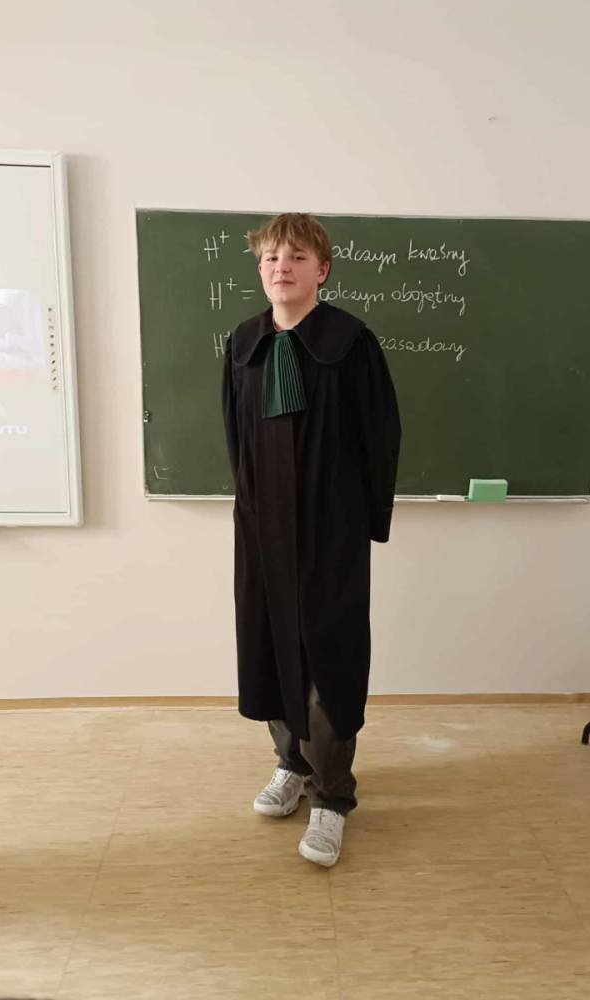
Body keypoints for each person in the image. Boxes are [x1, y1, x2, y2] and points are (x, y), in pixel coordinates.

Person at [221, 213, 401, 867]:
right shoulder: (244, 343)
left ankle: (332, 795)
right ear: (259, 268)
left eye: (296, 257)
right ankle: (291, 764)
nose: (281, 267)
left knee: (329, 657)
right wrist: (249, 509)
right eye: (271, 257)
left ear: (321, 270)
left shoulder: (351, 343)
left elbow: (381, 434)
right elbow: (234, 433)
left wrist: (366, 523)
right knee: (270, 646)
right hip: (262, 527)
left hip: (331, 528)